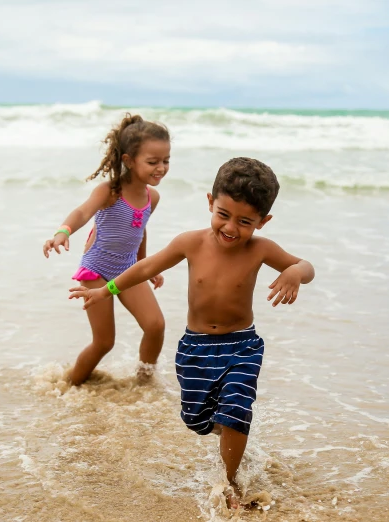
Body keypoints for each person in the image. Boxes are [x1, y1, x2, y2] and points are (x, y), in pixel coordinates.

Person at [68, 157, 315, 508]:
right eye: (223, 215)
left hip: (242, 344)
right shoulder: (191, 243)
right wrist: (104, 290)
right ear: (210, 202)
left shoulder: (261, 249)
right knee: (196, 420)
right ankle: (230, 433)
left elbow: (306, 267)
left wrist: (295, 273)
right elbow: (146, 266)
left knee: (237, 405)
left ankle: (229, 485)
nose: (231, 228)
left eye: (245, 222)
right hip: (195, 347)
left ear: (263, 221)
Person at [43, 113, 170, 386]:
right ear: (128, 160)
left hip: (128, 268)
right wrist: (62, 232)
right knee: (104, 342)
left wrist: (145, 266)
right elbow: (82, 211)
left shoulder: (153, 197)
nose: (161, 167)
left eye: (166, 160)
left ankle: (143, 384)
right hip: (96, 270)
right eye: (153, 162)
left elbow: (139, 230)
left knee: (155, 325)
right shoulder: (110, 191)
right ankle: (71, 386)